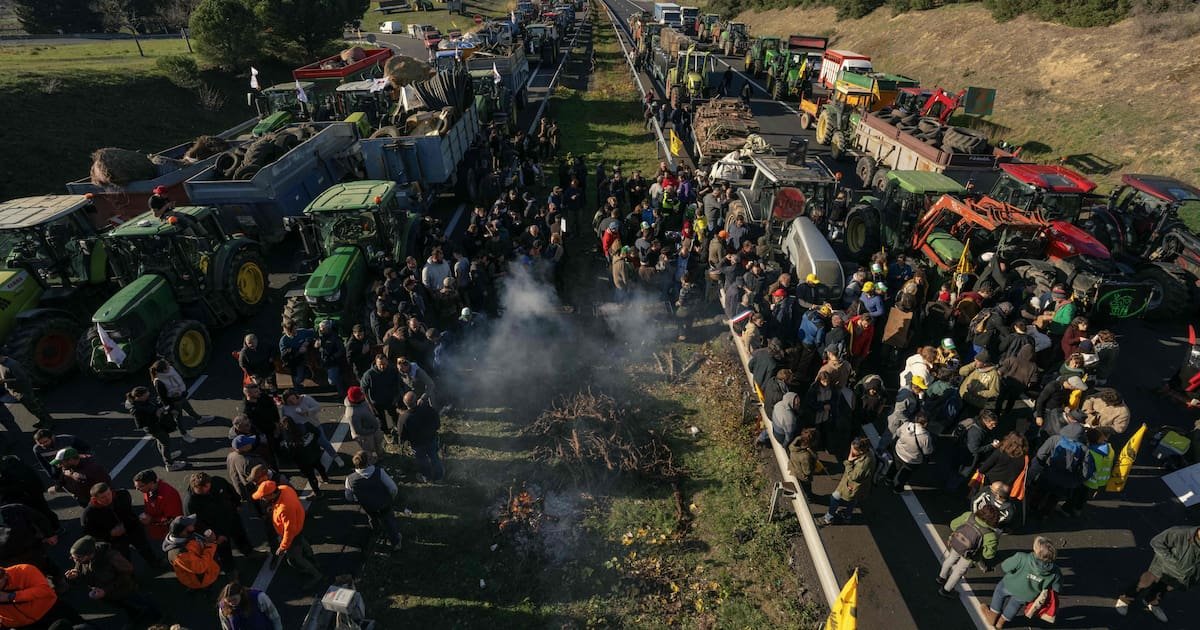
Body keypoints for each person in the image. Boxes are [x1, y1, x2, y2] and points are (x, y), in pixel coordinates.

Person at [64, 536, 161, 626]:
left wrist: (105, 590)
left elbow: (126, 575)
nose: (75, 560)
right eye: (73, 557)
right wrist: (77, 575)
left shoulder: (111, 557)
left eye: (77, 558)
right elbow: (85, 573)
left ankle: (158, 616)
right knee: (125, 606)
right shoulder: (81, 561)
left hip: (123, 589)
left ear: (89, 554)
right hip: (108, 594)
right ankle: (136, 616)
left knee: (141, 601)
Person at [1117, 525, 1200, 622]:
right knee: (1144, 583)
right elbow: (1156, 542)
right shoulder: (1180, 533)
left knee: (1162, 589)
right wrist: (1172, 562)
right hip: (1162, 568)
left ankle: (1151, 601)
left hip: (1180, 576)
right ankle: (1126, 599)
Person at [252, 480, 324, 588]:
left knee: (294, 559)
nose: (262, 499)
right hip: (299, 524)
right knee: (303, 542)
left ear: (272, 494)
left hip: (293, 534)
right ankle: (311, 557)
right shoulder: (284, 488)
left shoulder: (284, 509)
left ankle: (315, 575)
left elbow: (289, 531)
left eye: (263, 497)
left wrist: (282, 547)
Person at [80, 483, 161, 568]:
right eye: (103, 497)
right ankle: (130, 577)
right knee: (124, 558)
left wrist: (133, 521)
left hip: (133, 528)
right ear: (94, 499)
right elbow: (90, 532)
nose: (108, 498)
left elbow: (129, 509)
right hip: (115, 540)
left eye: (108, 494)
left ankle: (154, 562)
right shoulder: (88, 514)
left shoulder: (122, 495)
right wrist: (109, 534)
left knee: (144, 547)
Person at [988, 537, 1061, 629]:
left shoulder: (1021, 557)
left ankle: (993, 615)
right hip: (1027, 595)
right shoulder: (1056, 572)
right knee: (1015, 605)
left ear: (1037, 551)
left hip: (1010, 584)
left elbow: (1005, 567)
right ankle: (1001, 622)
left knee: (999, 592)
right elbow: (1057, 588)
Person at [186, 472, 254, 567]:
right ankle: (232, 574)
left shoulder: (218, 481)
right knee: (224, 551)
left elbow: (230, 490)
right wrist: (210, 534)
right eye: (200, 490)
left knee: (241, 536)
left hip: (232, 518)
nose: (205, 491)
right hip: (216, 529)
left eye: (207, 487)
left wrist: (237, 503)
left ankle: (249, 553)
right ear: (194, 487)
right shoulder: (191, 502)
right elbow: (195, 522)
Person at [936, 504, 1002, 598]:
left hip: (956, 544)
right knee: (958, 571)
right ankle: (946, 590)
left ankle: (941, 577)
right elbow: (988, 555)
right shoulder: (990, 535)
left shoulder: (969, 515)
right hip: (970, 555)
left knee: (950, 559)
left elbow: (953, 525)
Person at [344, 450, 402, 550]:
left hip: (369, 507)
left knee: (373, 520)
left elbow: (348, 497)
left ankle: (379, 535)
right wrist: (390, 498)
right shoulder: (379, 472)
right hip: (384, 505)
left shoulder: (350, 479)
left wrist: (359, 499)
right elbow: (393, 488)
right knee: (389, 523)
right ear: (368, 462)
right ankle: (396, 542)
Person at [125, 386, 188, 471]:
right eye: (146, 396)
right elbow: (140, 424)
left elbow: (153, 407)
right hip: (154, 428)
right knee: (166, 443)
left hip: (157, 426)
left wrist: (159, 410)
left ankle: (167, 456)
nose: (148, 397)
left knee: (161, 442)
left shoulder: (142, 402)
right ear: (139, 396)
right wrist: (156, 414)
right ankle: (169, 464)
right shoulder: (136, 409)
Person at [0, 563, 80, 629]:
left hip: (50, 611)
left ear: (5, 576)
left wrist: (11, 596)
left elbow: (44, 590)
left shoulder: (24, 570)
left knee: (80, 627)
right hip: (23, 625)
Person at [818, 437, 875, 526]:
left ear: (860, 451)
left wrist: (848, 462)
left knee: (834, 497)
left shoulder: (863, 464)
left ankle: (828, 518)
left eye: (853, 450)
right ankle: (847, 516)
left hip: (851, 485)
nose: (851, 451)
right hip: (859, 487)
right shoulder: (869, 453)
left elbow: (853, 476)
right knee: (852, 500)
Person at [1060, 426, 1113, 517]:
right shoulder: (1110, 449)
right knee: (1083, 496)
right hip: (1098, 480)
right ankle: (1078, 510)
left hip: (1087, 479)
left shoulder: (1090, 452)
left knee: (1077, 494)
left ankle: (1067, 509)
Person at [279, 389, 340, 467]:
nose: (293, 402)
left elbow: (318, 407)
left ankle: (336, 456)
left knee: (323, 442)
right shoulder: (285, 407)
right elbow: (284, 419)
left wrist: (308, 412)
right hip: (299, 430)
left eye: (293, 398)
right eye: (289, 401)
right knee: (308, 446)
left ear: (296, 396)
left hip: (313, 425)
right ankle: (316, 460)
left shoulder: (305, 398)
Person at [161, 515, 221, 593]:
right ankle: (203, 589)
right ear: (183, 532)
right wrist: (210, 544)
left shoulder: (182, 535)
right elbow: (200, 567)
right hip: (202, 579)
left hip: (201, 571)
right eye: (190, 525)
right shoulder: (180, 554)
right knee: (205, 587)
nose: (193, 525)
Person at [150, 359, 214, 429]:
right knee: (178, 418)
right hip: (174, 402)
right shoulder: (159, 382)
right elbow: (163, 397)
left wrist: (183, 391)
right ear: (163, 370)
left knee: (189, 409)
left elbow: (178, 379)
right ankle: (184, 433)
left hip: (181, 396)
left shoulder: (170, 370)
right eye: (167, 366)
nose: (170, 366)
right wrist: (170, 408)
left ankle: (200, 419)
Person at [279, 416, 331, 500]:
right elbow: (317, 432)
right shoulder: (306, 426)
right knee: (319, 466)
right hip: (315, 453)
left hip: (304, 461)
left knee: (311, 476)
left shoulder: (289, 440)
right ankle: (325, 478)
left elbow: (290, 454)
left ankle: (317, 493)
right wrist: (313, 443)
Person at [0, 354, 55, 429]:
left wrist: (4, 381)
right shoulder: (2, 364)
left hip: (24, 391)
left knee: (35, 407)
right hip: (16, 392)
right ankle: (43, 420)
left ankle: (49, 422)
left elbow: (23, 379)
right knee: (31, 408)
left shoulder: (12, 365)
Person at [401, 391, 443, 482]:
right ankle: (439, 476)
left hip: (417, 445)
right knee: (434, 457)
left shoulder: (404, 418)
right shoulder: (428, 409)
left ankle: (426, 477)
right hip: (431, 440)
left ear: (405, 404)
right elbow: (437, 423)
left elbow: (402, 435)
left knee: (422, 461)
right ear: (417, 401)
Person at [360, 354, 404, 441]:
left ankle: (399, 432)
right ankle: (387, 434)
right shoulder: (369, 375)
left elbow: (398, 385)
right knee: (381, 420)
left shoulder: (392, 370)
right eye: (380, 364)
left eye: (384, 363)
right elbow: (363, 390)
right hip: (377, 402)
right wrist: (370, 404)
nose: (382, 366)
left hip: (390, 400)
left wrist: (396, 397)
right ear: (376, 363)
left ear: (387, 361)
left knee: (395, 416)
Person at [133, 469, 183, 543]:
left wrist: (151, 520)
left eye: (140, 486)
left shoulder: (169, 495)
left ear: (151, 483)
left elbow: (173, 520)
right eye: (136, 486)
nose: (137, 489)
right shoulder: (147, 490)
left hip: (169, 536)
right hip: (156, 531)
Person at [892, 412, 935, 493]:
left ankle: (888, 479)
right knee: (905, 474)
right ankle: (898, 488)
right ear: (925, 424)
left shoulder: (905, 425)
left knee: (894, 466)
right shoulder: (925, 437)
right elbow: (927, 452)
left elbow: (897, 433)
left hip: (899, 452)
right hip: (912, 460)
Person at [217, 582, 283, 630]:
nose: (231, 603)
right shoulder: (223, 607)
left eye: (234, 599)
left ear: (241, 593)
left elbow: (275, 617)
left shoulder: (259, 597)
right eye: (228, 601)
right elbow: (226, 626)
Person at [345, 386, 385, 463]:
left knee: (378, 443)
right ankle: (371, 462)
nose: (363, 396)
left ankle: (380, 455)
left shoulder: (361, 400)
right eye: (361, 395)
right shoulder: (352, 414)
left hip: (373, 430)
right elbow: (358, 430)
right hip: (365, 436)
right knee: (368, 450)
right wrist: (372, 430)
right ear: (356, 399)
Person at [788, 428, 820, 496]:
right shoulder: (806, 456)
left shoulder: (794, 444)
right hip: (802, 476)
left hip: (793, 468)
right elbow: (807, 471)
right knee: (806, 488)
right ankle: (809, 497)